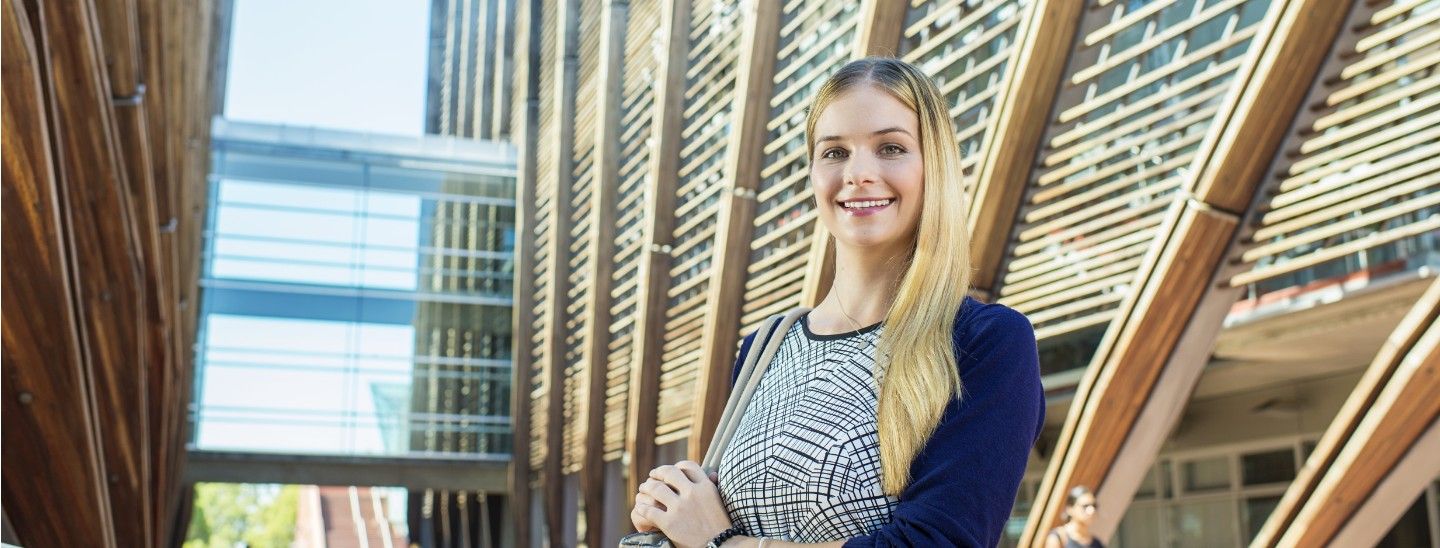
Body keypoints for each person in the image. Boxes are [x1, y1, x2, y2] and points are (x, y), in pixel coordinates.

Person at [628, 57, 1045, 547]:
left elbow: (939, 542)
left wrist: (724, 543)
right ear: (813, 172)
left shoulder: (985, 342)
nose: (859, 173)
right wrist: (675, 506)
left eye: (891, 148)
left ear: (935, 166)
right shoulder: (766, 346)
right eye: (834, 152)